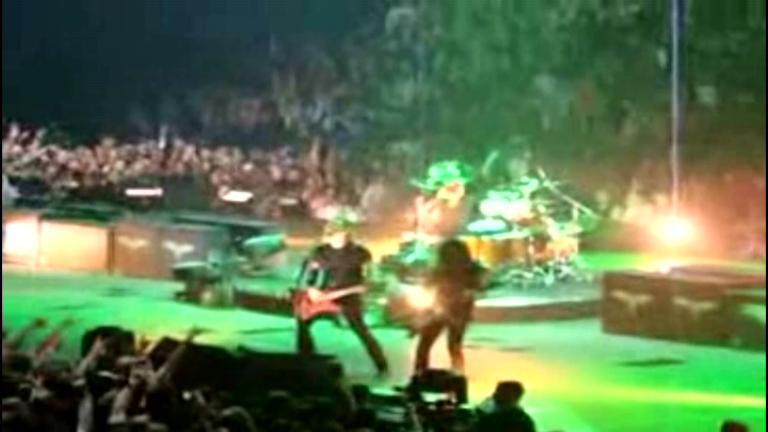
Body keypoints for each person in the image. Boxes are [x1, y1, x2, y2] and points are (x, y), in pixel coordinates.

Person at [296, 219, 389, 376]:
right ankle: (307, 361)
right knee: (303, 319)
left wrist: (347, 291)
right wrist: (311, 289)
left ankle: (381, 365)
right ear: (329, 236)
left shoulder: (359, 254)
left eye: (344, 234)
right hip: (324, 295)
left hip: (348, 296)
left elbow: (368, 281)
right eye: (337, 235)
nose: (341, 238)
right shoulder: (320, 252)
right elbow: (308, 274)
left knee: (360, 329)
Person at [414, 239, 486, 375]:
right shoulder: (467, 269)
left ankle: (422, 374)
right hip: (446, 310)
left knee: (437, 344)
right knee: (448, 345)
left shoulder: (465, 270)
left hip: (451, 311)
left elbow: (478, 287)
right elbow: (428, 285)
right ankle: (454, 375)